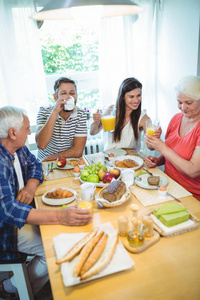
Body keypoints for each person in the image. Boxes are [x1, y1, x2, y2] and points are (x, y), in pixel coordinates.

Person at [0, 106, 92, 299]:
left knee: (60, 235)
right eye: (26, 128)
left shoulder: (17, 147)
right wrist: (59, 216)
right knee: (53, 248)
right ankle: (14, 289)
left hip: (23, 211)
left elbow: (35, 164)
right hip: (6, 228)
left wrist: (30, 188)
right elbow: (8, 211)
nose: (29, 132)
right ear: (12, 133)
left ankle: (22, 286)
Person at [145, 75, 200, 200]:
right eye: (179, 102)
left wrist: (162, 148)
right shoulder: (176, 119)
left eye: (188, 103)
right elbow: (174, 153)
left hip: (191, 195)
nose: (182, 107)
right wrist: (159, 160)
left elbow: (193, 171)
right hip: (167, 186)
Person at [90, 77, 161, 151]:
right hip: (110, 157)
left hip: (130, 159)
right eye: (131, 96)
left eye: (138, 95)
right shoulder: (112, 110)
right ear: (123, 97)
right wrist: (96, 121)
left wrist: (155, 137)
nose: (136, 100)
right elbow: (93, 132)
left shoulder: (143, 119)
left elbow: (151, 147)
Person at [36, 77, 87, 162]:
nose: (68, 97)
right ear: (55, 97)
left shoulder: (80, 114)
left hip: (67, 161)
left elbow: (78, 151)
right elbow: (41, 144)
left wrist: (49, 158)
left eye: (72, 93)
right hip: (45, 164)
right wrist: (54, 112)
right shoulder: (44, 111)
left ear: (76, 96)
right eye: (63, 93)